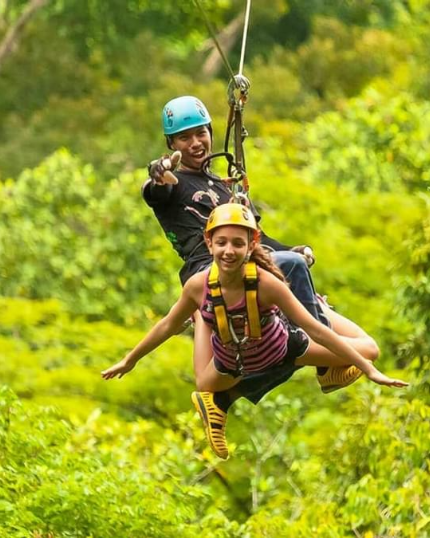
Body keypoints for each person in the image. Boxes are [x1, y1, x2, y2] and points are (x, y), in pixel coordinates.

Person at [140, 95, 362, 452]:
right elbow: (156, 191)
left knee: (284, 333)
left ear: (211, 133)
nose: (195, 143)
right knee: (289, 271)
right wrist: (160, 171)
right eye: (184, 138)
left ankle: (225, 401)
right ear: (171, 144)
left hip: (246, 264)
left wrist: (295, 248)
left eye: (200, 134)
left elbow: (258, 240)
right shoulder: (174, 185)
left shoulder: (227, 188)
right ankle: (324, 363)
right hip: (211, 269)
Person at [102, 203, 408, 458]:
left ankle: (322, 313)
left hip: (285, 350)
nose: (229, 251)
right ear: (209, 243)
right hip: (232, 364)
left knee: (369, 349)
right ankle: (210, 327)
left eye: (238, 243)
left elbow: (314, 328)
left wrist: (368, 369)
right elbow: (167, 325)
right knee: (203, 382)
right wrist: (130, 359)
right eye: (221, 243)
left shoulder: (267, 284)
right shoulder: (198, 286)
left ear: (253, 244)